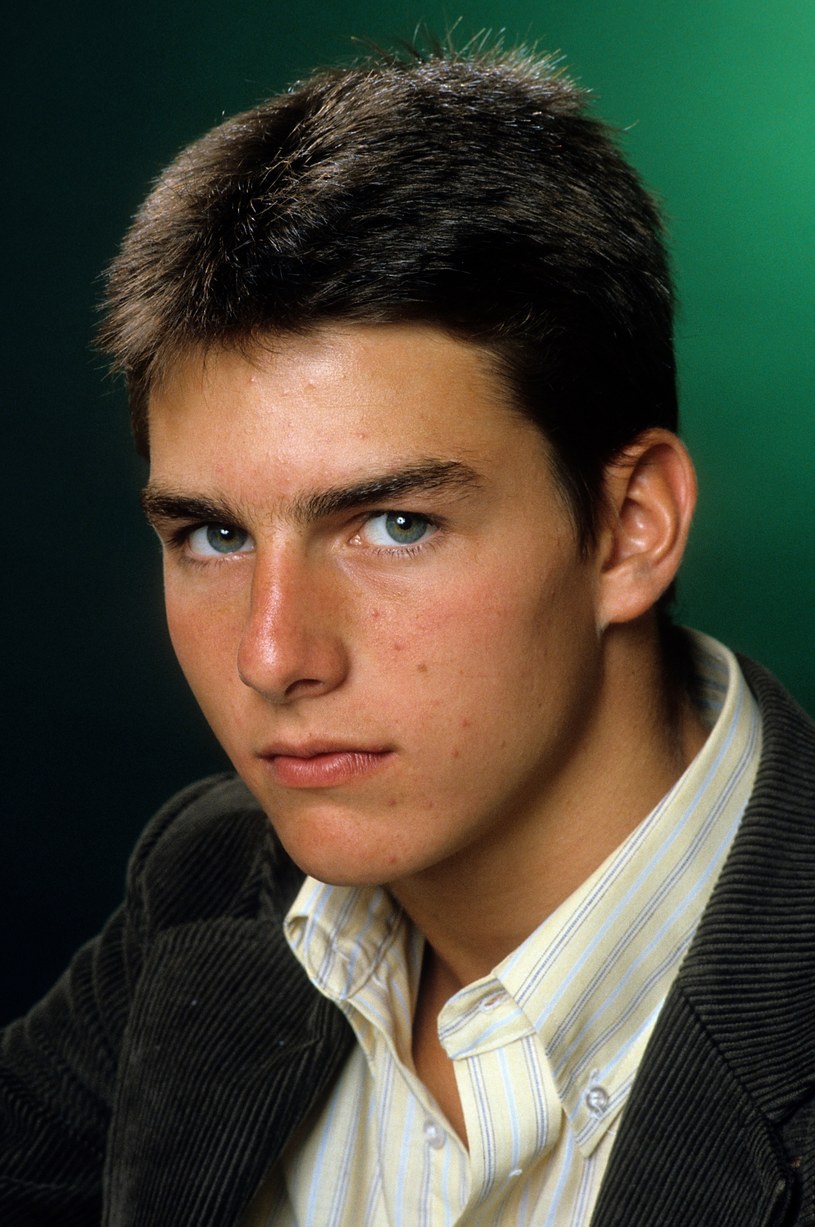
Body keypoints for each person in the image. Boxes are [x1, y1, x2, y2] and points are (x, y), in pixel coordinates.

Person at [2, 43, 813, 1227]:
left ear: (630, 528)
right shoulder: (212, 881)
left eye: (392, 523)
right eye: (213, 537)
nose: (273, 657)